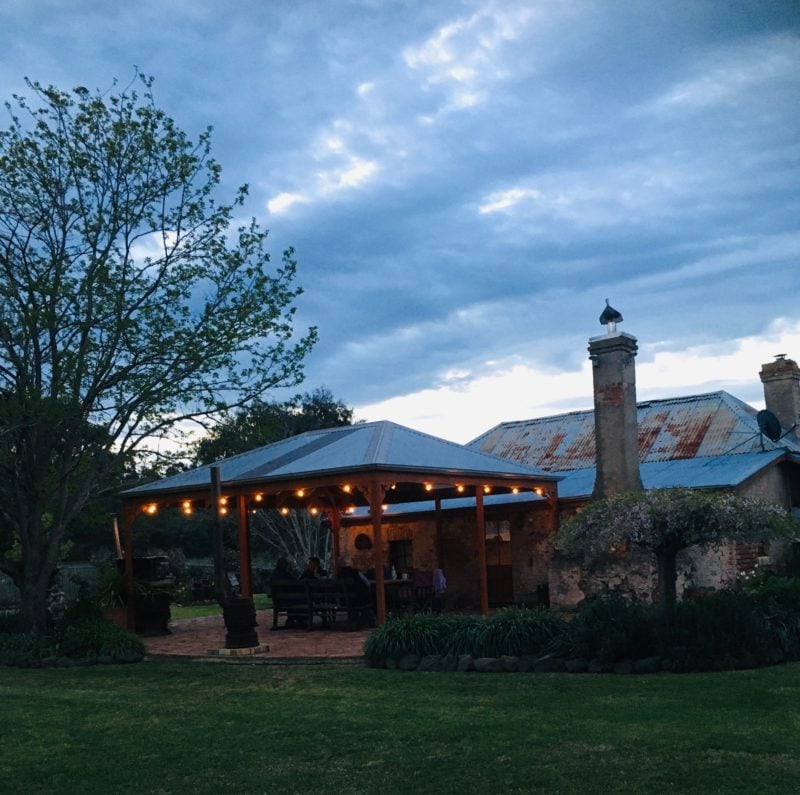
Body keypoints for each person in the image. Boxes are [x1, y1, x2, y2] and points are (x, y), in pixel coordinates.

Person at [336, 554, 375, 627]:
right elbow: (367, 583)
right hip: (358, 601)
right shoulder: (355, 572)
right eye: (351, 560)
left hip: (344, 601)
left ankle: (357, 620)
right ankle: (371, 621)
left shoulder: (339, 575)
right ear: (348, 563)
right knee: (370, 597)